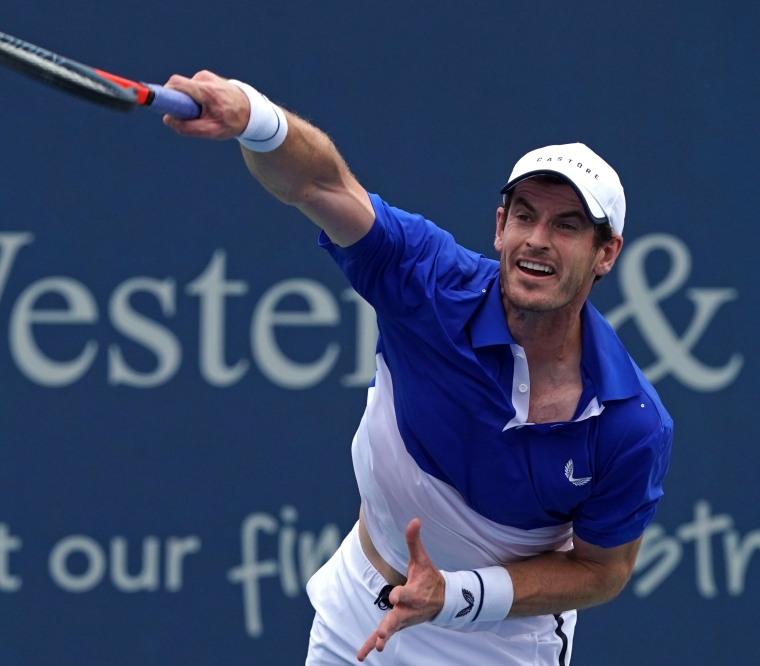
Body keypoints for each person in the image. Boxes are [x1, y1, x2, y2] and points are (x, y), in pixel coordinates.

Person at [162, 72, 673, 666]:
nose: (537, 241)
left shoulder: (630, 424)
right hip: (357, 606)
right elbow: (317, 182)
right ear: (499, 225)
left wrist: (454, 596)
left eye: (566, 226)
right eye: (525, 216)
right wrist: (253, 117)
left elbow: (600, 571)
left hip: (497, 645)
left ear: (605, 252)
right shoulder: (428, 280)